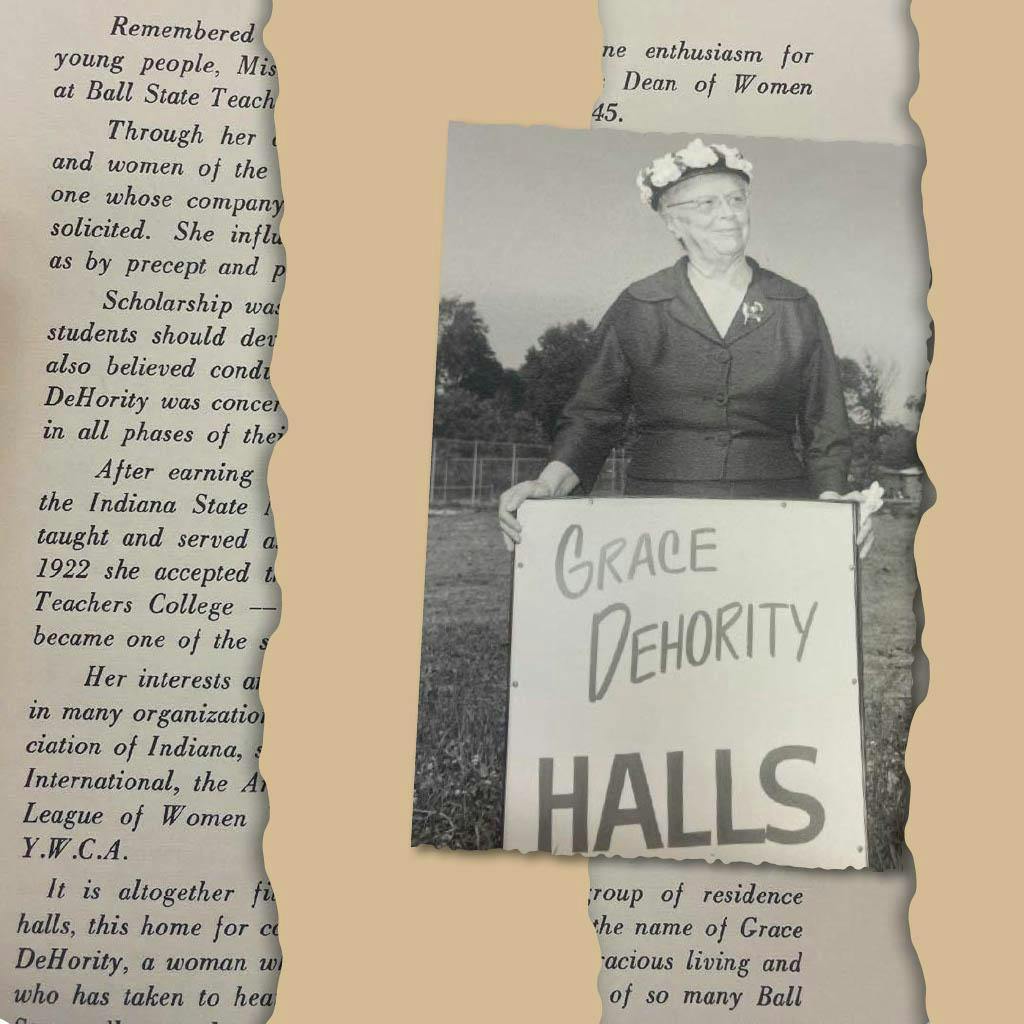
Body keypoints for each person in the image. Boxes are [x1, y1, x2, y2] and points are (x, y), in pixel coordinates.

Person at [499, 138, 875, 554]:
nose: (728, 215)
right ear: (672, 223)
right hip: (658, 521)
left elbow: (827, 426)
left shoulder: (795, 306)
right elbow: (592, 417)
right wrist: (548, 483)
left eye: (736, 199)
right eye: (707, 205)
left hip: (776, 513)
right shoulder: (639, 305)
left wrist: (833, 501)